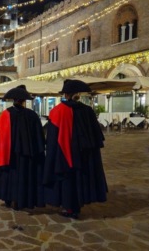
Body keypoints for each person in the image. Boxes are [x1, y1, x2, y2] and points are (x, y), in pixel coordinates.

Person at [43, 79, 108, 219]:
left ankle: (68, 207)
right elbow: (95, 136)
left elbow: (52, 138)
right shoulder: (88, 111)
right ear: (78, 94)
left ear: (65, 94)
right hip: (83, 154)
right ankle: (77, 206)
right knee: (80, 179)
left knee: (67, 181)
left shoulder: (57, 111)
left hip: (63, 153)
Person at [0, 85, 46, 210]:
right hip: (26, 155)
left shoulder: (5, 115)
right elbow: (39, 137)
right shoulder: (32, 115)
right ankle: (22, 200)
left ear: (13, 100)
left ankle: (8, 198)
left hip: (9, 155)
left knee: (9, 177)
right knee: (24, 177)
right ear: (24, 100)